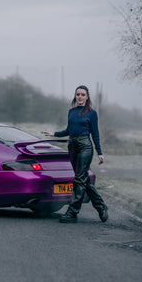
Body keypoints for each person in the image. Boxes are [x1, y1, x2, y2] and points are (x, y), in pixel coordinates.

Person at [42, 85, 108, 223]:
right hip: (72, 146)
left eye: (83, 94)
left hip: (85, 146)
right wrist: (54, 134)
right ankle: (101, 207)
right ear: (75, 96)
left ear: (87, 97)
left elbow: (95, 134)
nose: (80, 97)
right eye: (78, 94)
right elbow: (68, 130)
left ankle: (72, 212)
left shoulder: (92, 113)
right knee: (83, 179)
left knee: (78, 179)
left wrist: (100, 152)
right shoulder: (71, 111)